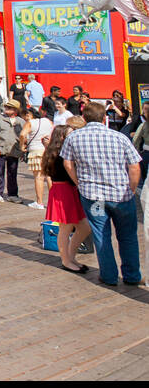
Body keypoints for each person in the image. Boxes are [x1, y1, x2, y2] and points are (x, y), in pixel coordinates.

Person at [61, 102, 143, 287]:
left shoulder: (74, 138)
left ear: (84, 118)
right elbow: (134, 166)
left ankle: (109, 276)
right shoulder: (119, 137)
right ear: (104, 117)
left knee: (101, 234)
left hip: (93, 196)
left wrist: (79, 183)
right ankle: (132, 275)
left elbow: (67, 164)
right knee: (128, 236)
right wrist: (131, 189)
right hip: (120, 194)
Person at [42, 124, 92, 273]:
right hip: (64, 190)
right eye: (70, 133)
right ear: (62, 136)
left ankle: (70, 256)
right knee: (66, 227)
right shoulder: (59, 153)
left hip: (68, 190)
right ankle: (66, 259)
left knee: (83, 226)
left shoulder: (56, 151)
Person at [0, 100, 25, 203]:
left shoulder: (21, 121)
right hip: (1, 147)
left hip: (14, 150)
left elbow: (24, 137)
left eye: (10, 107)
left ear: (16, 110)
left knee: (13, 173)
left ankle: (12, 194)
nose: (7, 109)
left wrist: (23, 151)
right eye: (6, 107)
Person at [19, 106, 54, 210]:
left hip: (36, 150)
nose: (24, 119)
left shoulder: (30, 123)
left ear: (29, 114)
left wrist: (21, 146)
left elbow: (22, 135)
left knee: (39, 177)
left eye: (24, 116)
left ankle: (39, 202)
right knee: (49, 177)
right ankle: (54, 202)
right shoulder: (47, 121)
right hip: (48, 150)